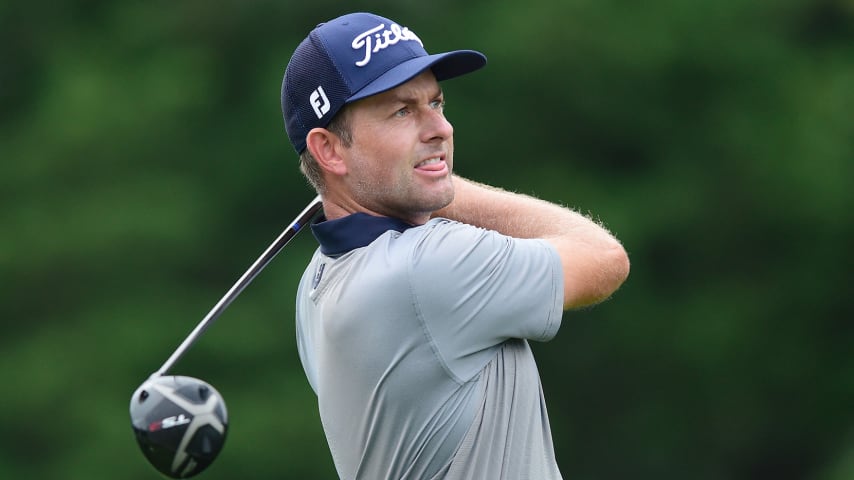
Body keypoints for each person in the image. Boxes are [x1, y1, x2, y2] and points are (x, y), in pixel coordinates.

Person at [280, 12, 629, 480]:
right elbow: (603, 259)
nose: (439, 128)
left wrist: (416, 174)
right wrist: (440, 183)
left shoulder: (316, 282)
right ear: (328, 150)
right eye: (402, 111)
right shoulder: (426, 267)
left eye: (436, 103)